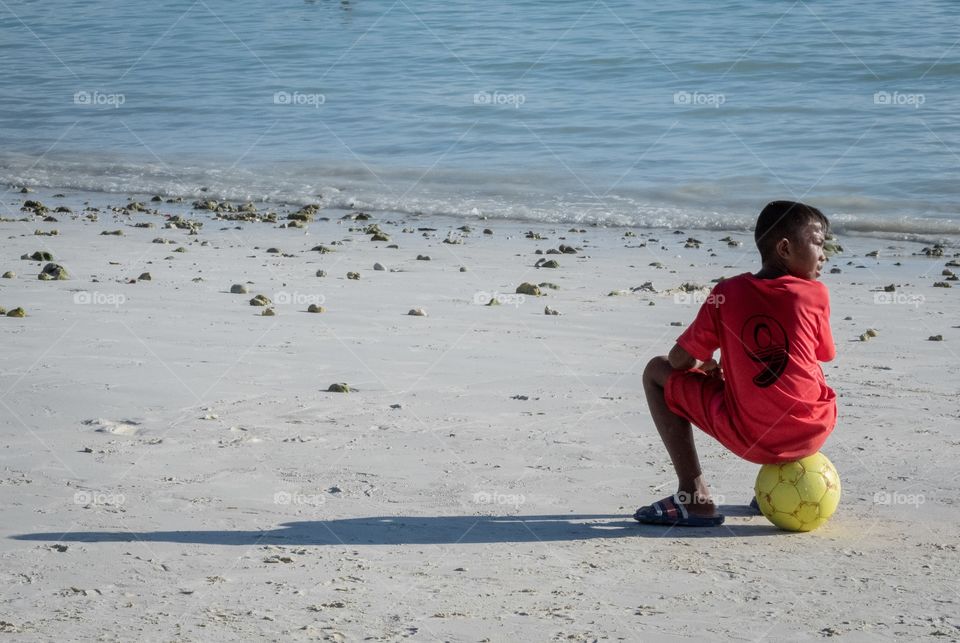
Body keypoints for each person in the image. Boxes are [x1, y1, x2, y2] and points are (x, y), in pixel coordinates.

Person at [635, 200, 837, 527]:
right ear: (784, 248)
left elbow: (677, 360)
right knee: (807, 371)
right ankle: (782, 484)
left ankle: (694, 497)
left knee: (655, 372)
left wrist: (704, 364)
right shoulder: (815, 294)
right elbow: (822, 353)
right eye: (818, 243)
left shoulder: (726, 293)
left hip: (749, 438)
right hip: (811, 432)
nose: (824, 254)